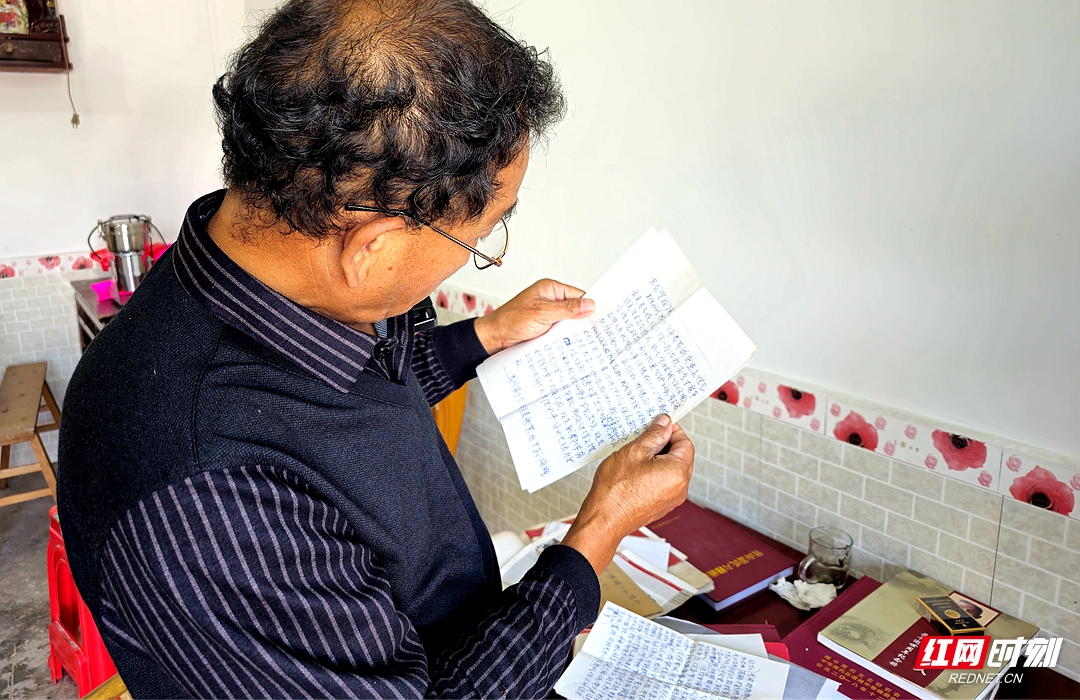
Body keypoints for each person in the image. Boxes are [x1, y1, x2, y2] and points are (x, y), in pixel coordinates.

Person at [57, 1, 695, 697]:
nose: (477, 255)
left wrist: (484, 336)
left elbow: (340, 412)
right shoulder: (208, 502)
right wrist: (598, 531)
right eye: (481, 236)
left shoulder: (257, 271)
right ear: (372, 248)